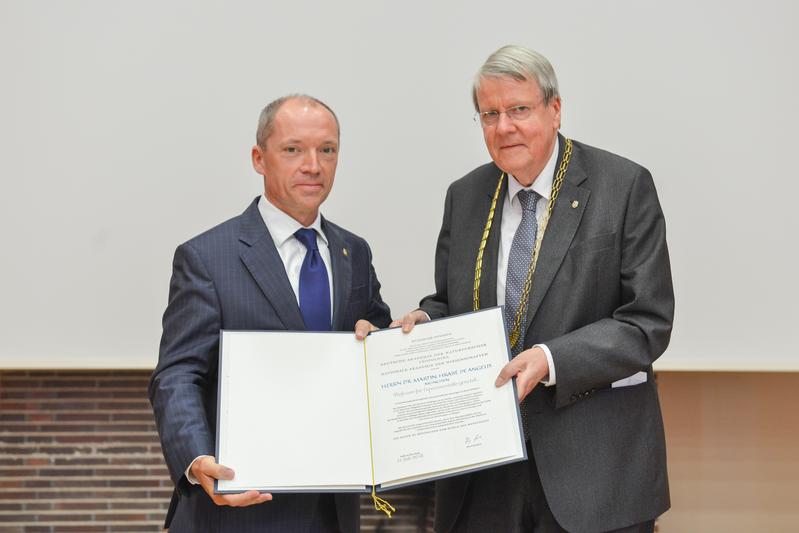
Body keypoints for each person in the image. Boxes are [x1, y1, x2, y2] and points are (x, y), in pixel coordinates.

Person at [358, 45, 674, 532]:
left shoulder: (622, 185)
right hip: (484, 473)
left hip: (595, 473)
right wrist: (423, 323)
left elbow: (645, 323)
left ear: (555, 109)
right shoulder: (466, 195)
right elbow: (450, 301)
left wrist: (550, 359)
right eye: (490, 114)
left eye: (519, 110)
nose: (504, 127)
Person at [149, 94, 392, 533]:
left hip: (332, 512)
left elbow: (372, 338)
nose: (313, 165)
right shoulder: (207, 256)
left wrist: (380, 338)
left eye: (328, 150)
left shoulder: (353, 252)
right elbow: (178, 374)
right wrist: (197, 457)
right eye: (293, 149)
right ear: (259, 159)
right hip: (236, 510)